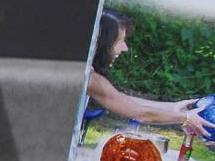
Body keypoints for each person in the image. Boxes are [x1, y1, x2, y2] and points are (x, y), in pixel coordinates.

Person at [86, 9, 214, 138]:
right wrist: (185, 117)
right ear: (98, 42)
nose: (125, 48)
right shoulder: (89, 78)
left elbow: (120, 99)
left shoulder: (87, 71)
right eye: (119, 40)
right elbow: (140, 113)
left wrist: (172, 107)